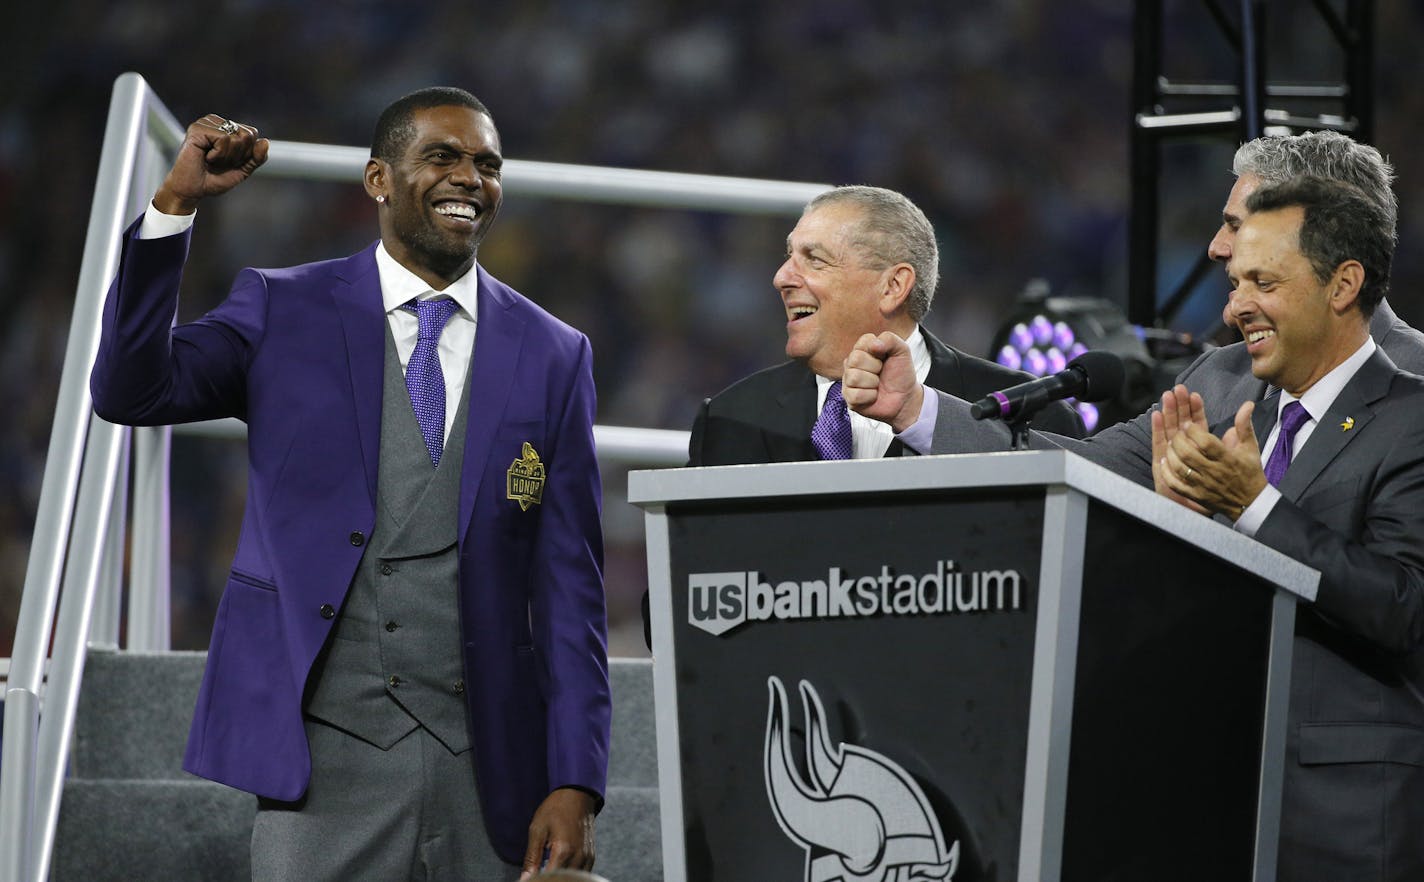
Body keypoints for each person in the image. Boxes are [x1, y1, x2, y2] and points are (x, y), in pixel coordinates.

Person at [90, 88, 609, 881]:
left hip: (491, 772)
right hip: (322, 768)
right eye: (442, 156)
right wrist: (174, 207)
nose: (469, 177)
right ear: (377, 180)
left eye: (487, 164)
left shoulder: (555, 351)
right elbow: (132, 392)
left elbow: (572, 588)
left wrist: (575, 780)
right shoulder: (280, 306)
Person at [841, 131, 1424, 474]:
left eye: (1236, 225)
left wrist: (1251, 512)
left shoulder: (1414, 388)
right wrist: (916, 408)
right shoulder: (1220, 379)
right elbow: (1081, 470)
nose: (1217, 248)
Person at [1154, 176, 1424, 879]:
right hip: (1217, 803)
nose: (1236, 305)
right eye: (1237, 281)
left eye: (1263, 282)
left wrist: (1254, 506)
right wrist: (1175, 526)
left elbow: (1403, 606)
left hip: (1345, 821)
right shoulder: (1248, 421)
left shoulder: (1411, 419)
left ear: (1342, 286)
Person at [689, 184, 1083, 466]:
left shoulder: (1029, 416)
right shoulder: (730, 418)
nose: (781, 278)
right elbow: (681, 577)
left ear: (893, 286)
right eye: (789, 255)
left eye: (814, 259)